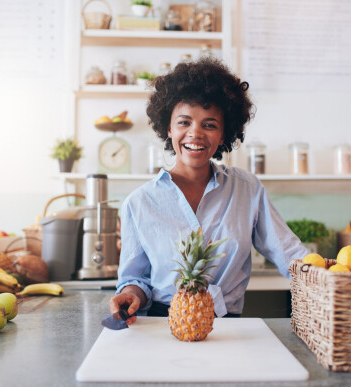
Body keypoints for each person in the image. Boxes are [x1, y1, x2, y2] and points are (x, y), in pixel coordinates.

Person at [110, 57, 308, 325]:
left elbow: (289, 253)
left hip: (229, 325)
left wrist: (334, 274)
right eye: (184, 122)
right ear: (168, 128)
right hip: (162, 324)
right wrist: (130, 294)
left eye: (210, 124)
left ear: (224, 134)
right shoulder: (139, 202)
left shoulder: (247, 189)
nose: (196, 133)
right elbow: (136, 279)